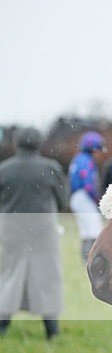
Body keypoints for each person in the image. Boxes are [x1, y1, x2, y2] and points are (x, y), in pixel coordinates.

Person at [0, 127, 67, 339]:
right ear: (39, 143)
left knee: (10, 276)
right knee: (46, 278)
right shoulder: (50, 168)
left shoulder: (4, 169)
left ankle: (2, 326)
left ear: (17, 143)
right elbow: (63, 200)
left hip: (11, 231)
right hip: (43, 231)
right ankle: (51, 329)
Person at [68, 131, 105, 262]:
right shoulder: (87, 161)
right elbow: (88, 185)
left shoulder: (78, 159)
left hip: (76, 197)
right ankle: (93, 259)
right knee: (94, 229)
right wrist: (97, 199)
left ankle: (86, 259)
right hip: (84, 197)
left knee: (85, 230)